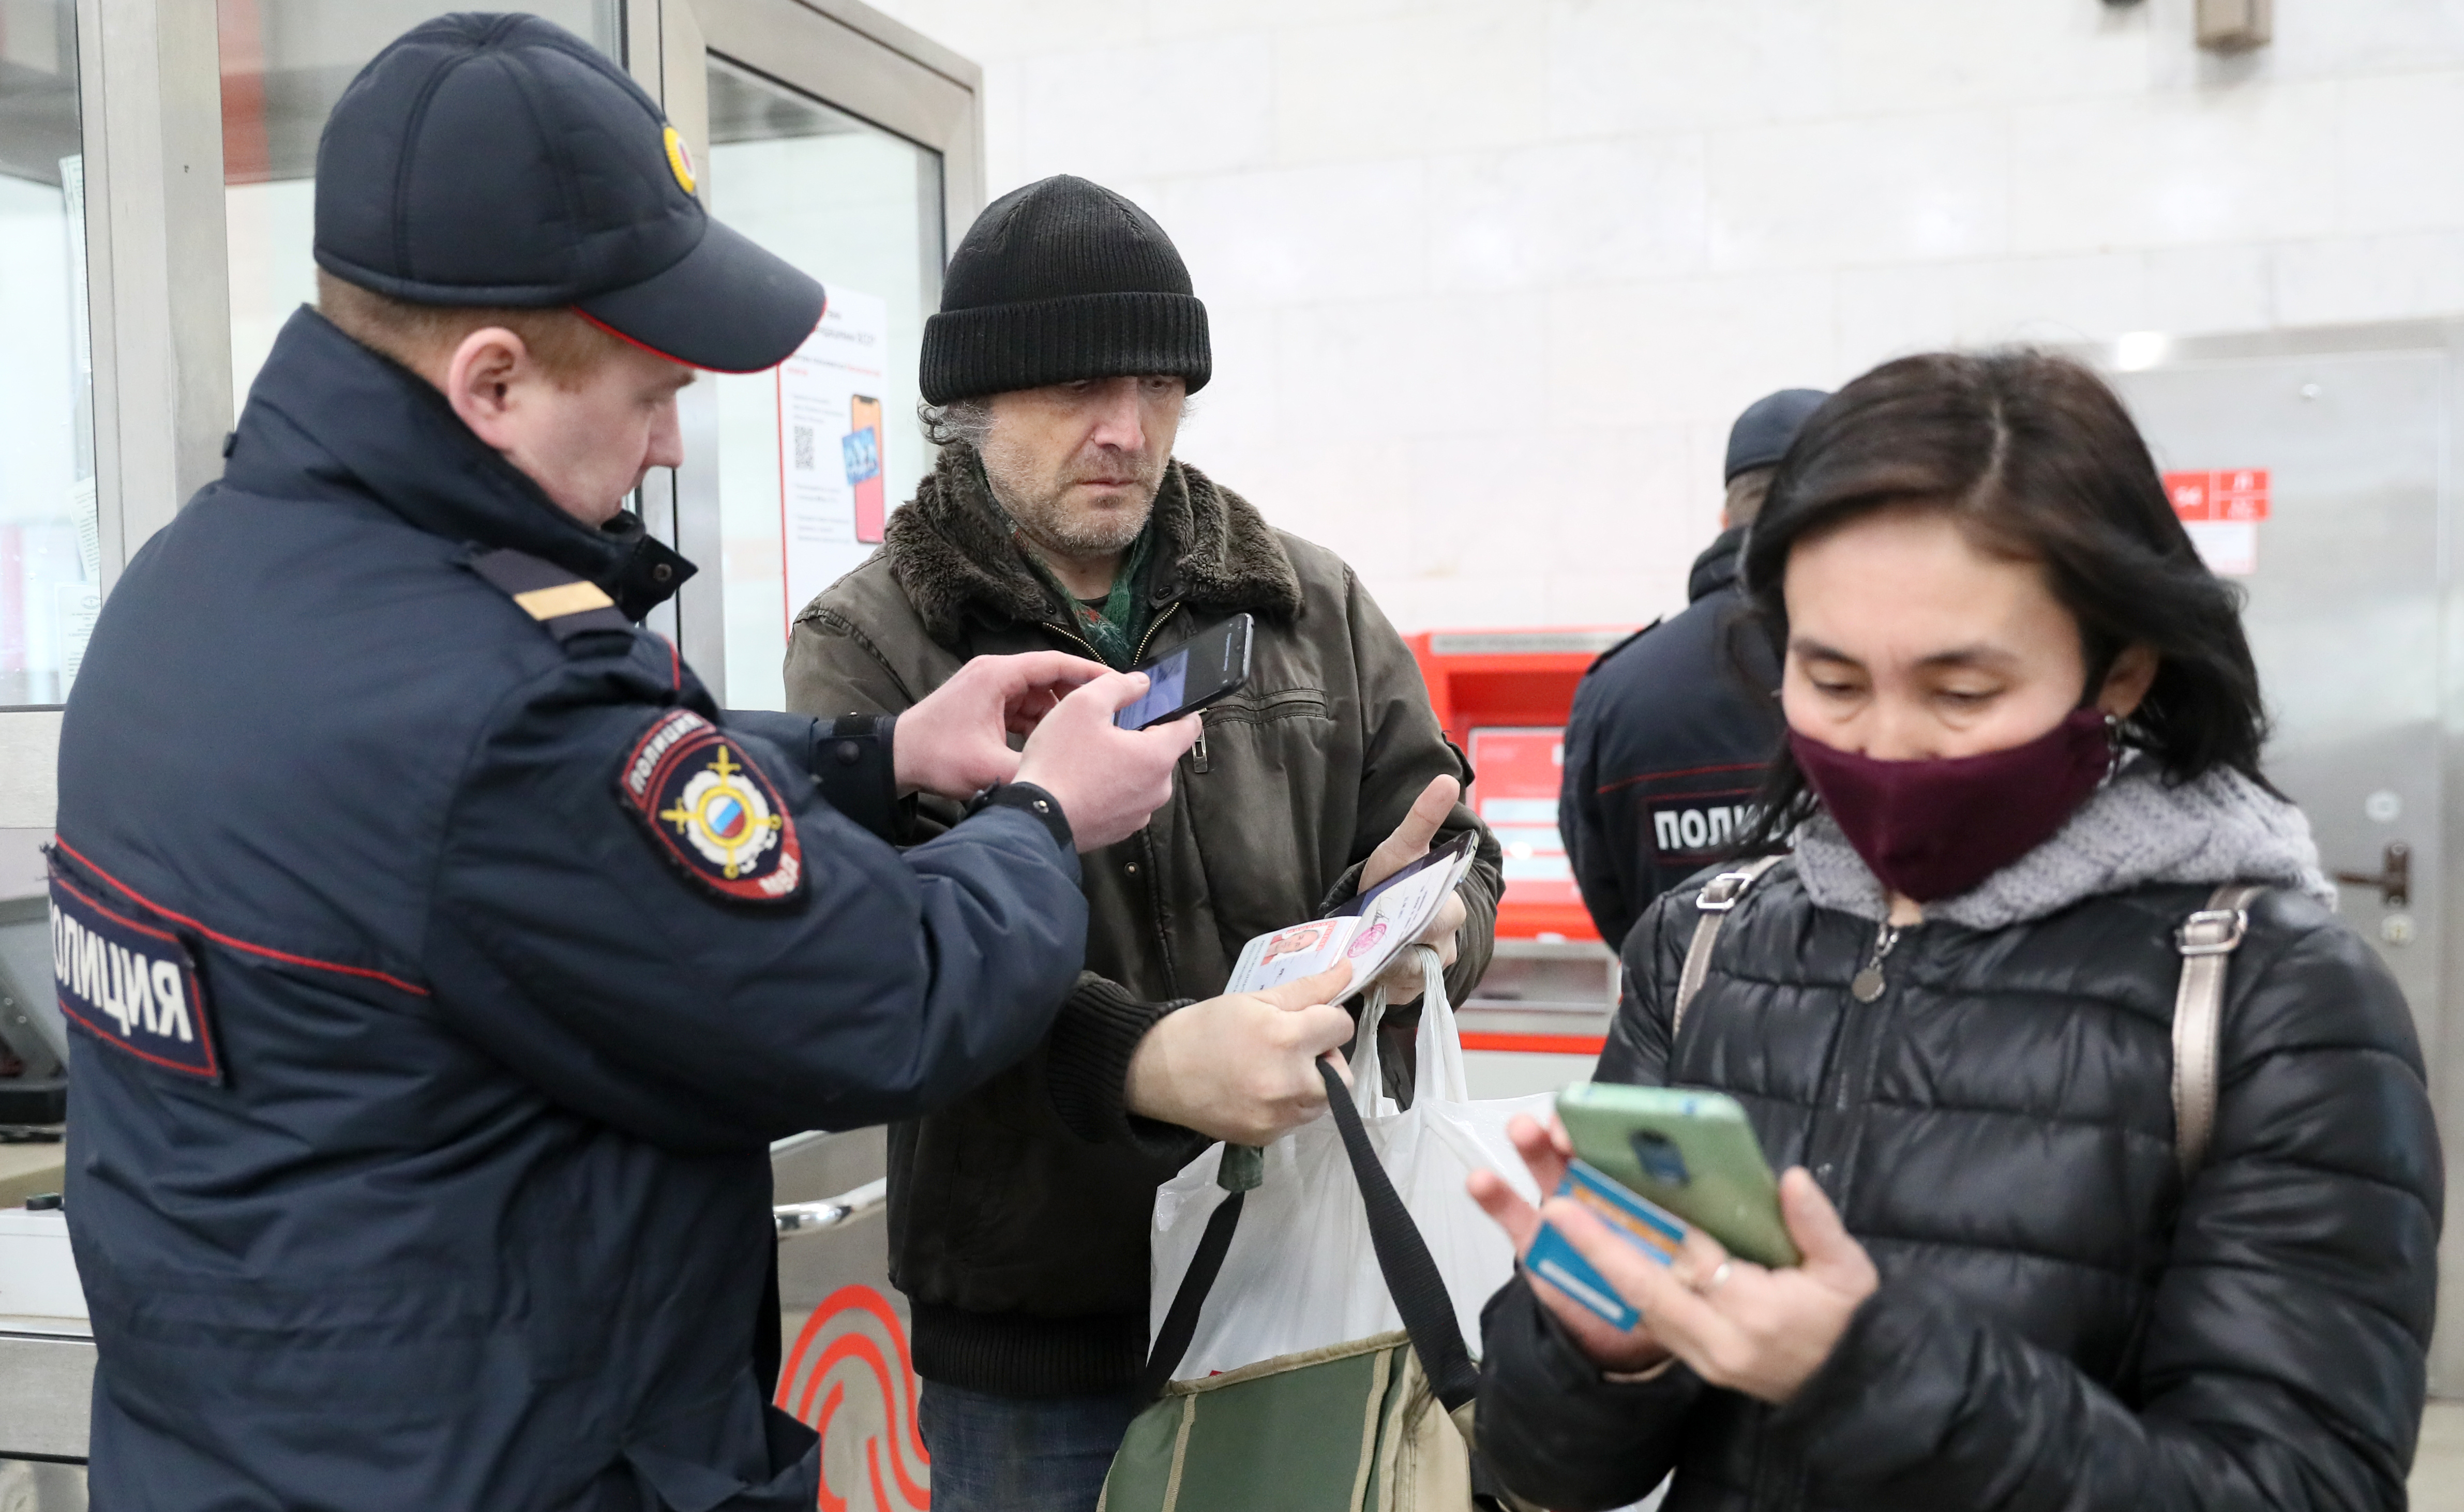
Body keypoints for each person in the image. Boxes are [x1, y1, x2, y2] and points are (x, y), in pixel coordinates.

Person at [49, 18, 1279, 1510]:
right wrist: (1041, 812)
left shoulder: (200, 589)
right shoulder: (500, 703)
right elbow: (877, 991)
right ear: (493, 382)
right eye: (649, 395)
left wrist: (881, 755)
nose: (669, 448)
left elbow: (500, 814)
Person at [1468, 352, 2440, 1510]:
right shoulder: (1705, 946)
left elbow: (2301, 1486)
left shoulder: (2270, 999)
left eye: (1961, 692)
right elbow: (1540, 1465)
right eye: (1832, 681)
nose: (1884, 743)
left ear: (2119, 671)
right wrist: (1598, 1352)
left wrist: (1865, 1372)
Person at [782, 174, 1503, 1510]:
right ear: (972, 401)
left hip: (1304, 1288)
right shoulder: (874, 643)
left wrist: (1423, 934)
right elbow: (889, 957)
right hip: (1038, 1338)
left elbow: (1447, 842)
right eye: (1077, 388)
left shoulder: (1307, 604)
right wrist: (1149, 1061)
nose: (1125, 429)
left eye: (1159, 386)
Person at [1558, 388, 1824, 949]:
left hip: (1682, 999)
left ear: (1726, 519)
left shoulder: (1616, 688)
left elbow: (1615, 904)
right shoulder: (1890, 662)